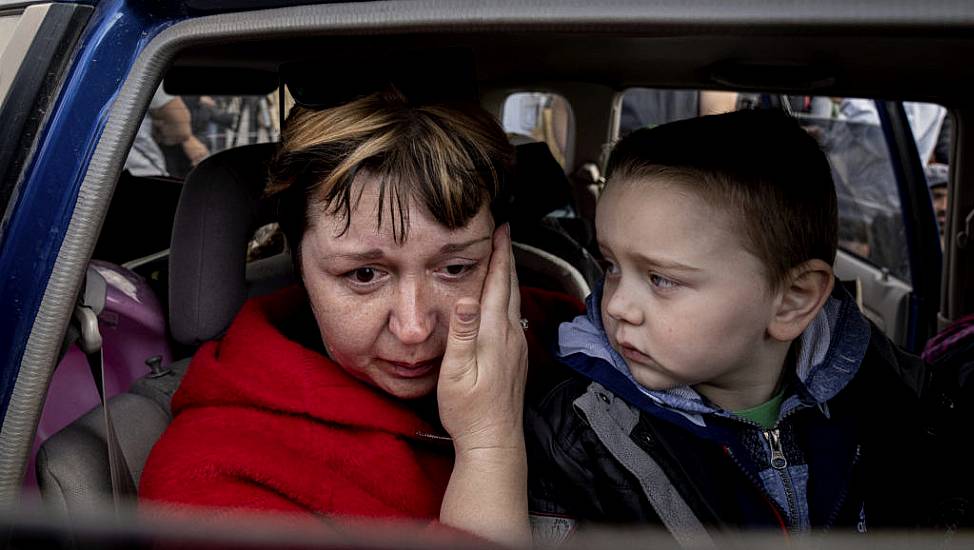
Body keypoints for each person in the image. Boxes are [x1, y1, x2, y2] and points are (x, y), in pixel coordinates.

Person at [139, 88, 582, 546]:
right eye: (364, 274)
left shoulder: (572, 342)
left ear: (499, 252)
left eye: (455, 268)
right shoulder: (212, 482)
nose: (414, 327)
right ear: (299, 263)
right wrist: (490, 446)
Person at [527, 109, 954, 542]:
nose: (617, 304)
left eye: (660, 279)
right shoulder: (575, 432)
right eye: (612, 266)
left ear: (792, 301)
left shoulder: (896, 396)